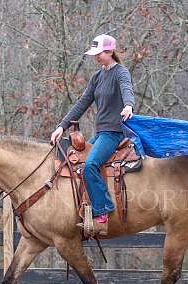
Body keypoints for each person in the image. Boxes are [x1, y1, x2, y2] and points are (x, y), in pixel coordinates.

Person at [50, 34, 135, 236]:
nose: (96, 57)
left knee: (90, 165)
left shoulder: (120, 72)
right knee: (77, 165)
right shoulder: (98, 77)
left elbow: (127, 89)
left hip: (114, 132)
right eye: (95, 54)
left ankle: (103, 212)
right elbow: (82, 102)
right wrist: (61, 126)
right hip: (101, 133)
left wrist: (129, 105)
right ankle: (85, 209)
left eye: (100, 54)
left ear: (110, 52)